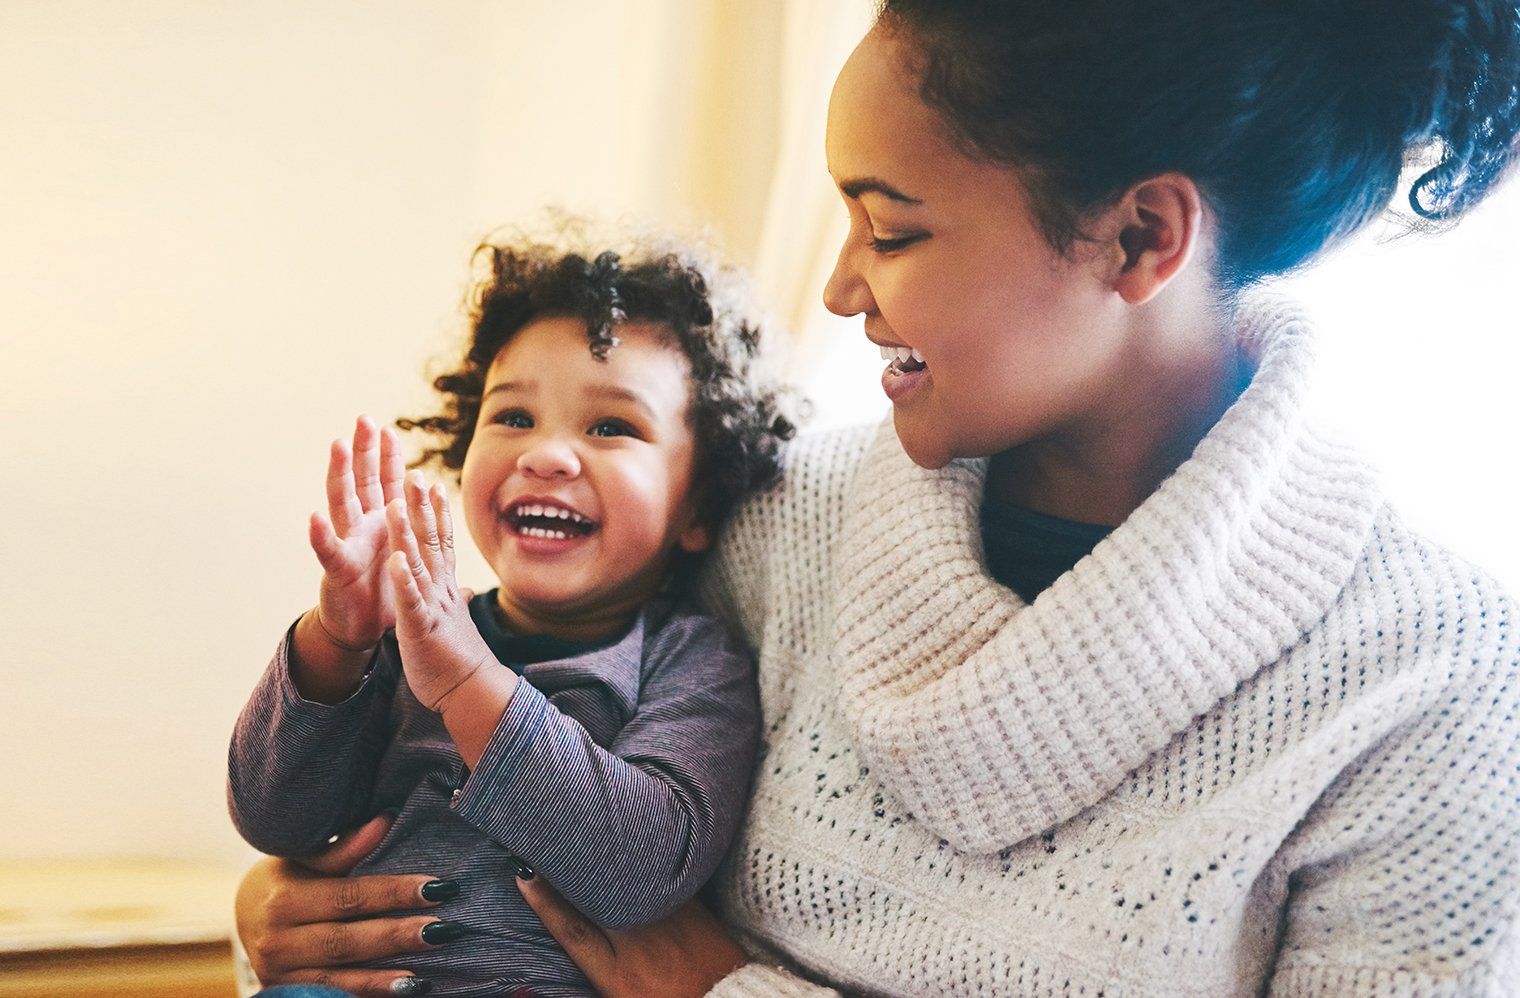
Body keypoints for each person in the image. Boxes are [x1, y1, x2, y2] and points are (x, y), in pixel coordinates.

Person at [233, 0, 1520, 994]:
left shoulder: (1433, 679)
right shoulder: (775, 520)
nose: (841, 289)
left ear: (1139, 239)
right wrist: (290, 903)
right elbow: (497, 755)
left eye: (889, 229)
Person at [227, 227, 795, 997]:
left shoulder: (689, 662)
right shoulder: (407, 638)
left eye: (611, 427)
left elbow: (641, 870)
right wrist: (336, 643)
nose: (547, 455)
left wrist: (466, 681)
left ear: (698, 504)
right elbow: (276, 820)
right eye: (514, 418)